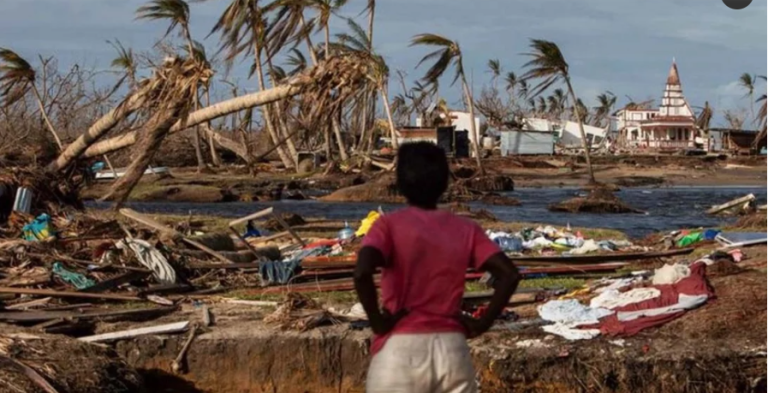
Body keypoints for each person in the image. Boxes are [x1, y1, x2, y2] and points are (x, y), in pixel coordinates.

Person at [353, 142, 521, 393]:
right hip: (451, 349)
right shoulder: (466, 229)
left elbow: (362, 272)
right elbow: (509, 275)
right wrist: (482, 323)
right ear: (446, 183)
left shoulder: (386, 226)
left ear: (399, 183)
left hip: (399, 350)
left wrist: (378, 322)